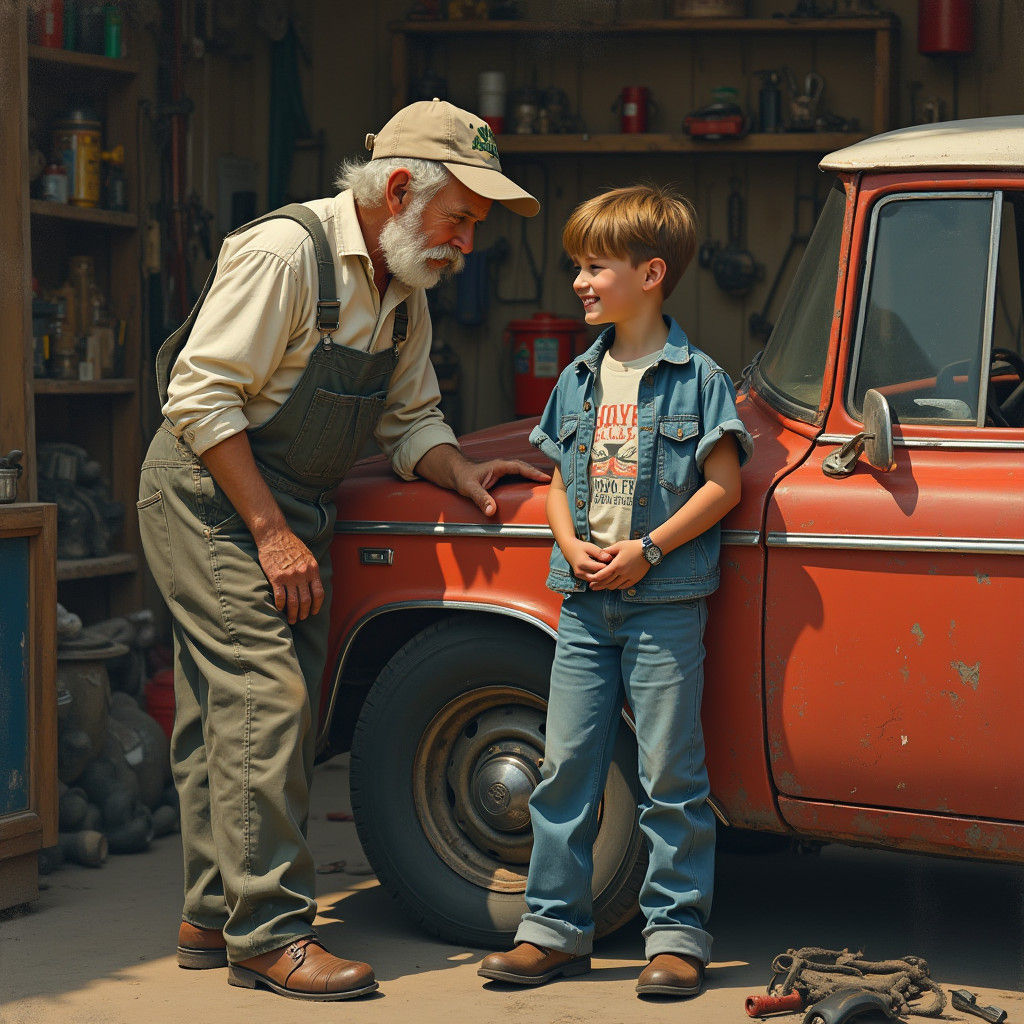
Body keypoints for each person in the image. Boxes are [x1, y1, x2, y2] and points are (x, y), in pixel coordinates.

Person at [138, 99, 546, 1002]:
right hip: (210, 496)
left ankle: (211, 914)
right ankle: (268, 935)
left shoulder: (404, 289)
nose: (465, 245)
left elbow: (412, 418)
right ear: (399, 190)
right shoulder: (286, 254)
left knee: (233, 712)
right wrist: (270, 532)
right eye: (458, 220)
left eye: (473, 226)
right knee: (266, 699)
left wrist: (460, 469)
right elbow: (199, 398)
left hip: (293, 507)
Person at [478, 185, 753, 997]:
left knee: (671, 772)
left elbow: (724, 486)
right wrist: (570, 546)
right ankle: (552, 932)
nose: (580, 282)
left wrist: (649, 550)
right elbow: (558, 484)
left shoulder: (699, 379)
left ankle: (676, 936)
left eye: (595, 267)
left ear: (651, 274)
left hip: (665, 603)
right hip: (584, 604)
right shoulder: (578, 378)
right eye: (578, 267)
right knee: (564, 768)